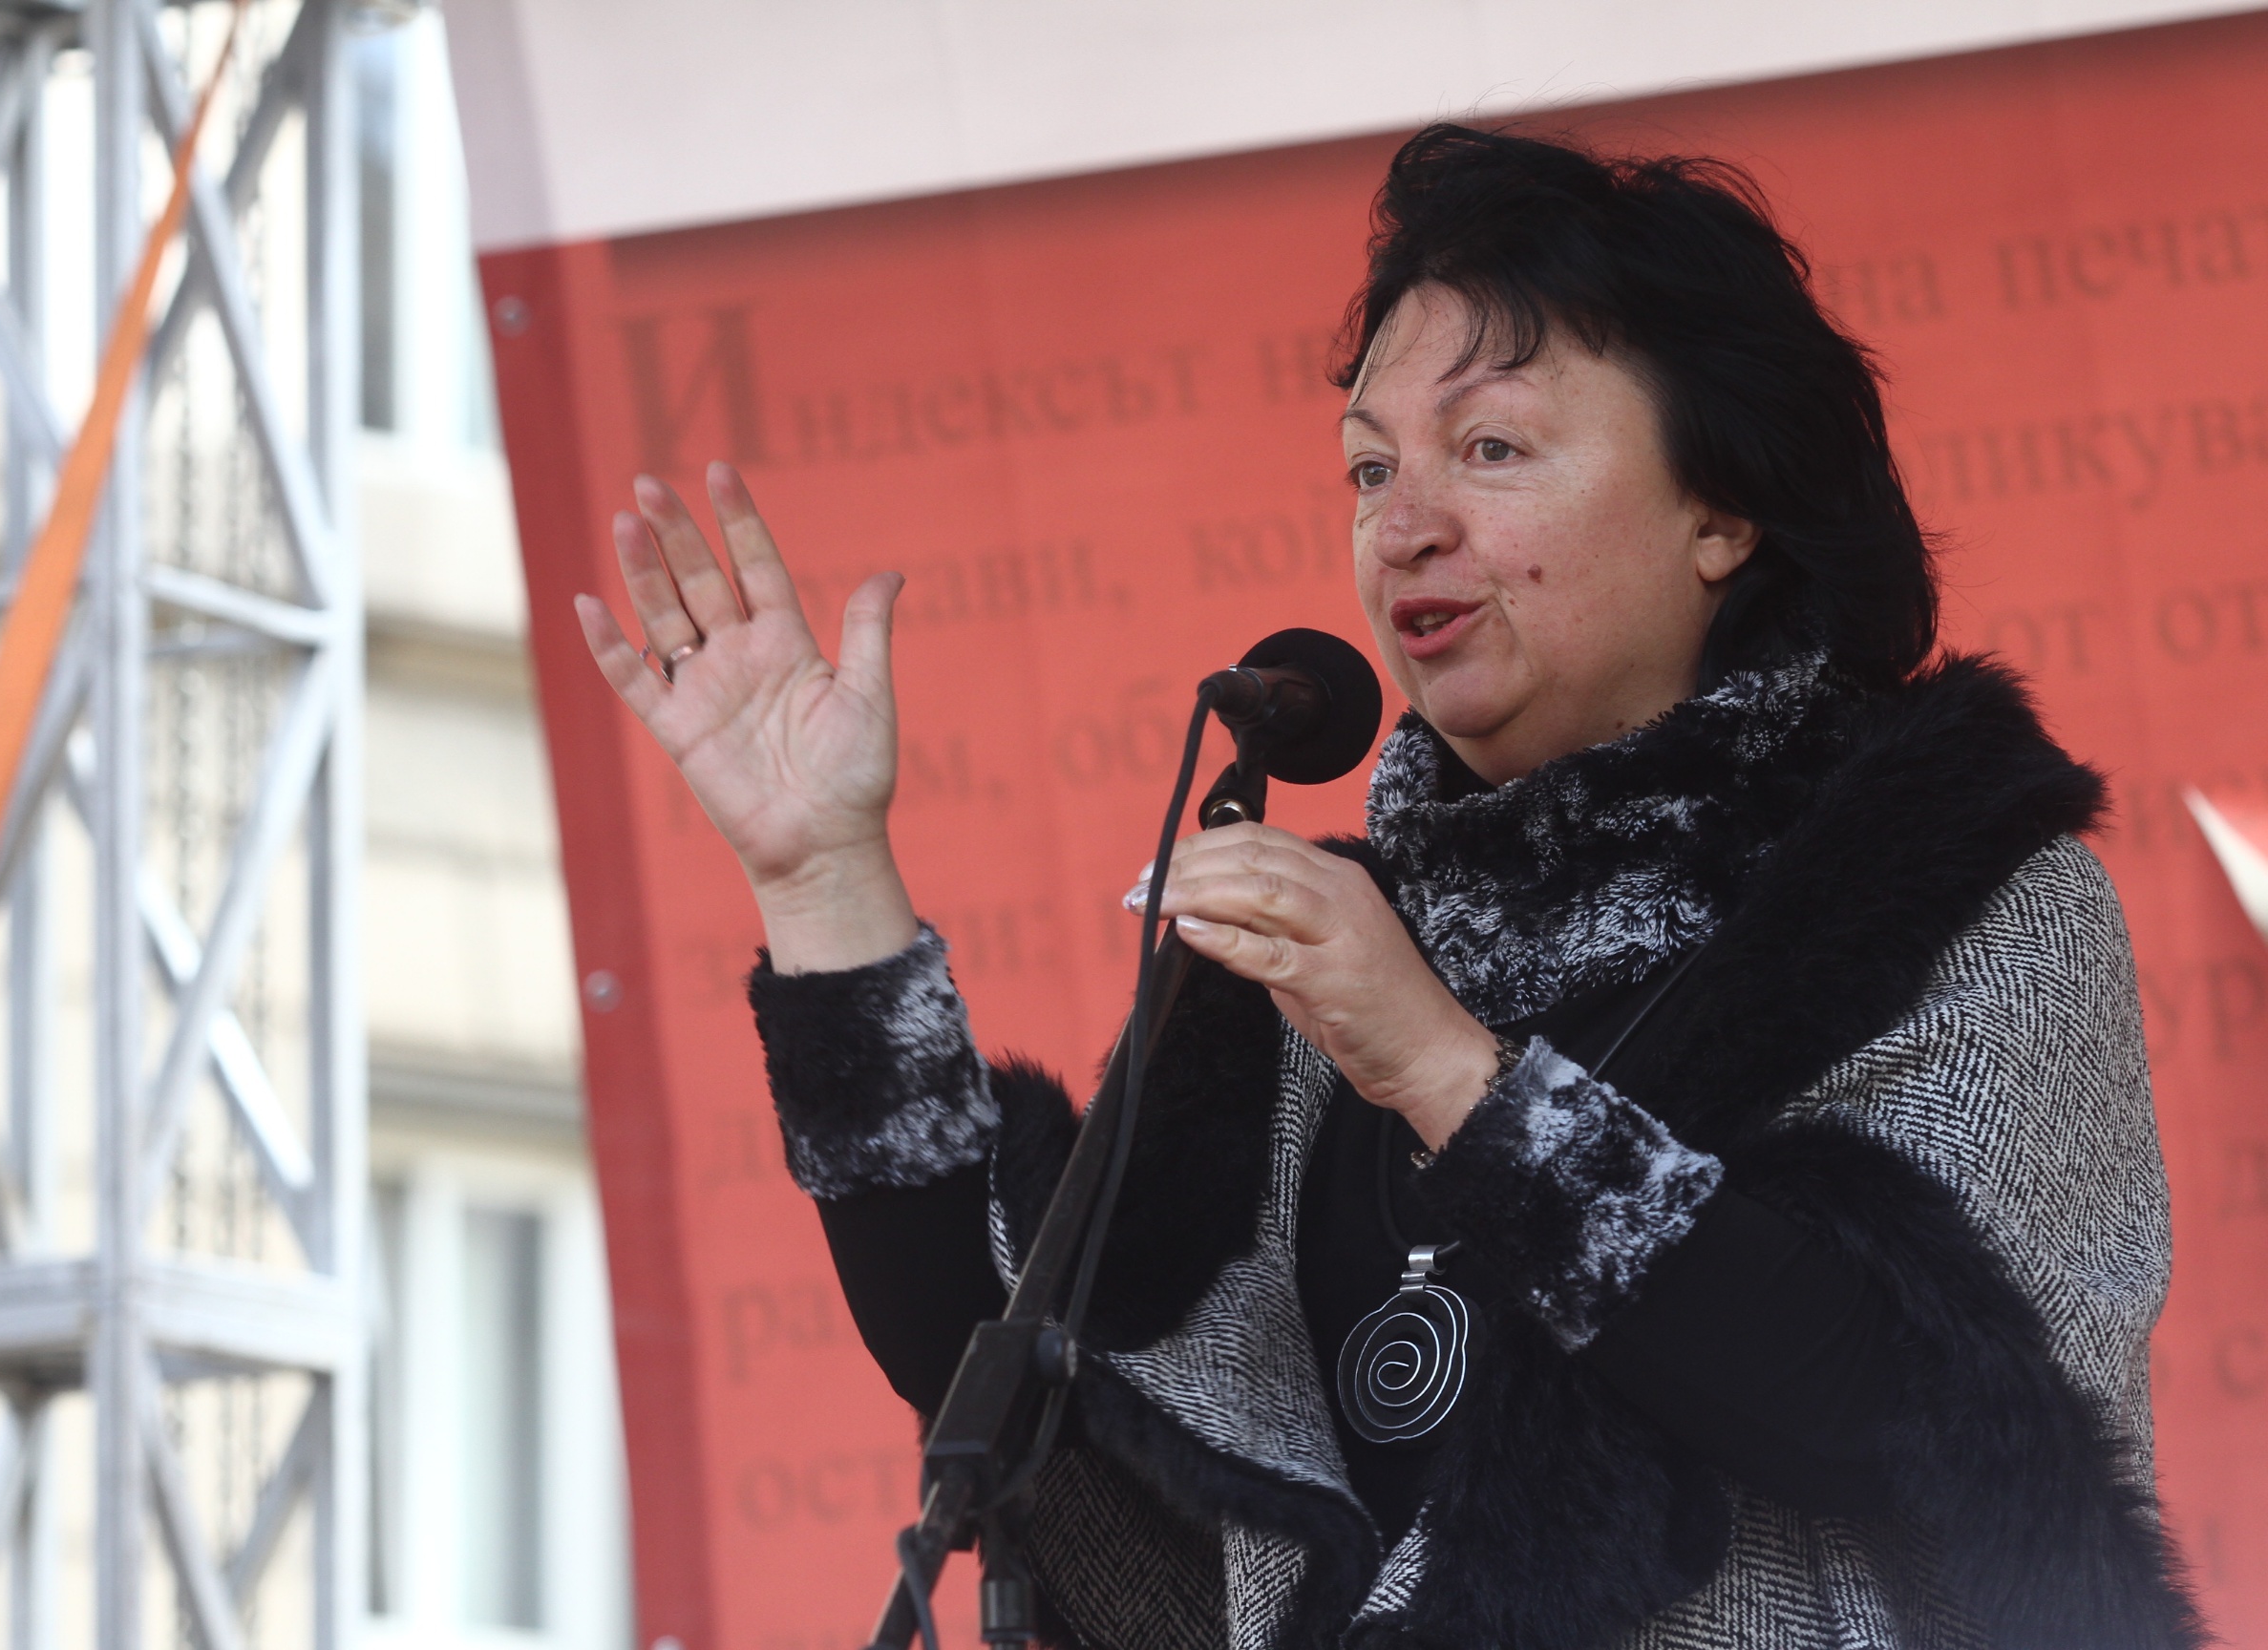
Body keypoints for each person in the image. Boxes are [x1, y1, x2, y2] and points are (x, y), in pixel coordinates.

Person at [575, 125, 2200, 1649]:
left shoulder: (1966, 896)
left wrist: (1440, 1068)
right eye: (1368, 471)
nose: (1404, 529)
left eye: (1490, 449)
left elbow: (1915, 1414)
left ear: (1721, 511)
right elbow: (1007, 1370)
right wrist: (826, 881)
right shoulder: (1323, 965)